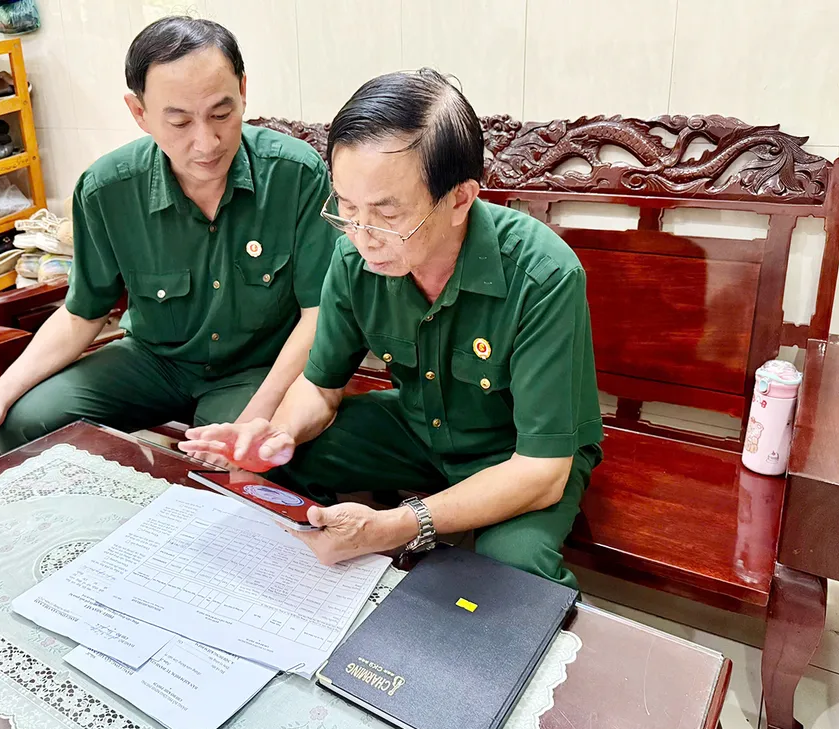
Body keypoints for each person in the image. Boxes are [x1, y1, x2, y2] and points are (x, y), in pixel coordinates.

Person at [180, 69, 603, 588]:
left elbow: (542, 471)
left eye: (385, 214)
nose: (361, 236)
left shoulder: (543, 273)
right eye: (347, 208)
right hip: (417, 426)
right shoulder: (354, 257)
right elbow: (319, 386)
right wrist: (276, 435)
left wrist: (397, 526)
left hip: (515, 452)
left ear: (459, 199)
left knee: (514, 570)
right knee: (281, 468)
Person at [0, 16, 336, 464]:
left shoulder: (296, 173)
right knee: (23, 422)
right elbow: (81, 315)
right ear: (140, 113)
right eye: (179, 122)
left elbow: (318, 314)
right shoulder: (106, 188)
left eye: (221, 114)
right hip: (152, 362)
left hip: (255, 368)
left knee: (253, 455)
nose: (206, 143)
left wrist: (256, 417)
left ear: (243, 90)